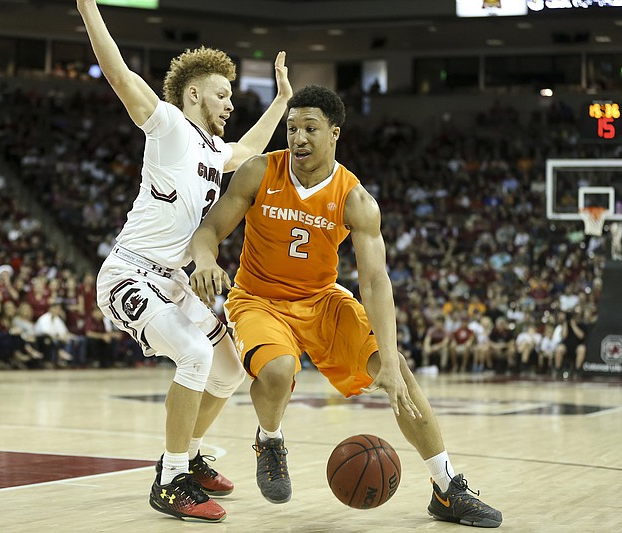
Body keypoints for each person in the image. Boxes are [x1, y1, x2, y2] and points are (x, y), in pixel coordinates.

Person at [189, 85, 501, 528]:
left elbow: (375, 281)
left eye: (310, 129)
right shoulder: (258, 172)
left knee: (400, 375)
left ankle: (447, 487)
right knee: (278, 371)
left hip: (322, 300)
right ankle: (270, 440)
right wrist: (204, 260)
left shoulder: (355, 199)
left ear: (334, 133)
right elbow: (209, 231)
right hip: (258, 299)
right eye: (292, 127)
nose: (297, 137)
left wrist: (389, 361)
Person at [76, 0, 292, 523]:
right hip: (130, 272)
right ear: (194, 93)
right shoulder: (168, 123)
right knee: (196, 353)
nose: (230, 104)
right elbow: (118, 72)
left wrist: (282, 101)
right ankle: (170, 482)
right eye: (224, 94)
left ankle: (188, 457)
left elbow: (248, 152)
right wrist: (87, 5)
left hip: (173, 282)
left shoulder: (215, 150)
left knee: (228, 369)